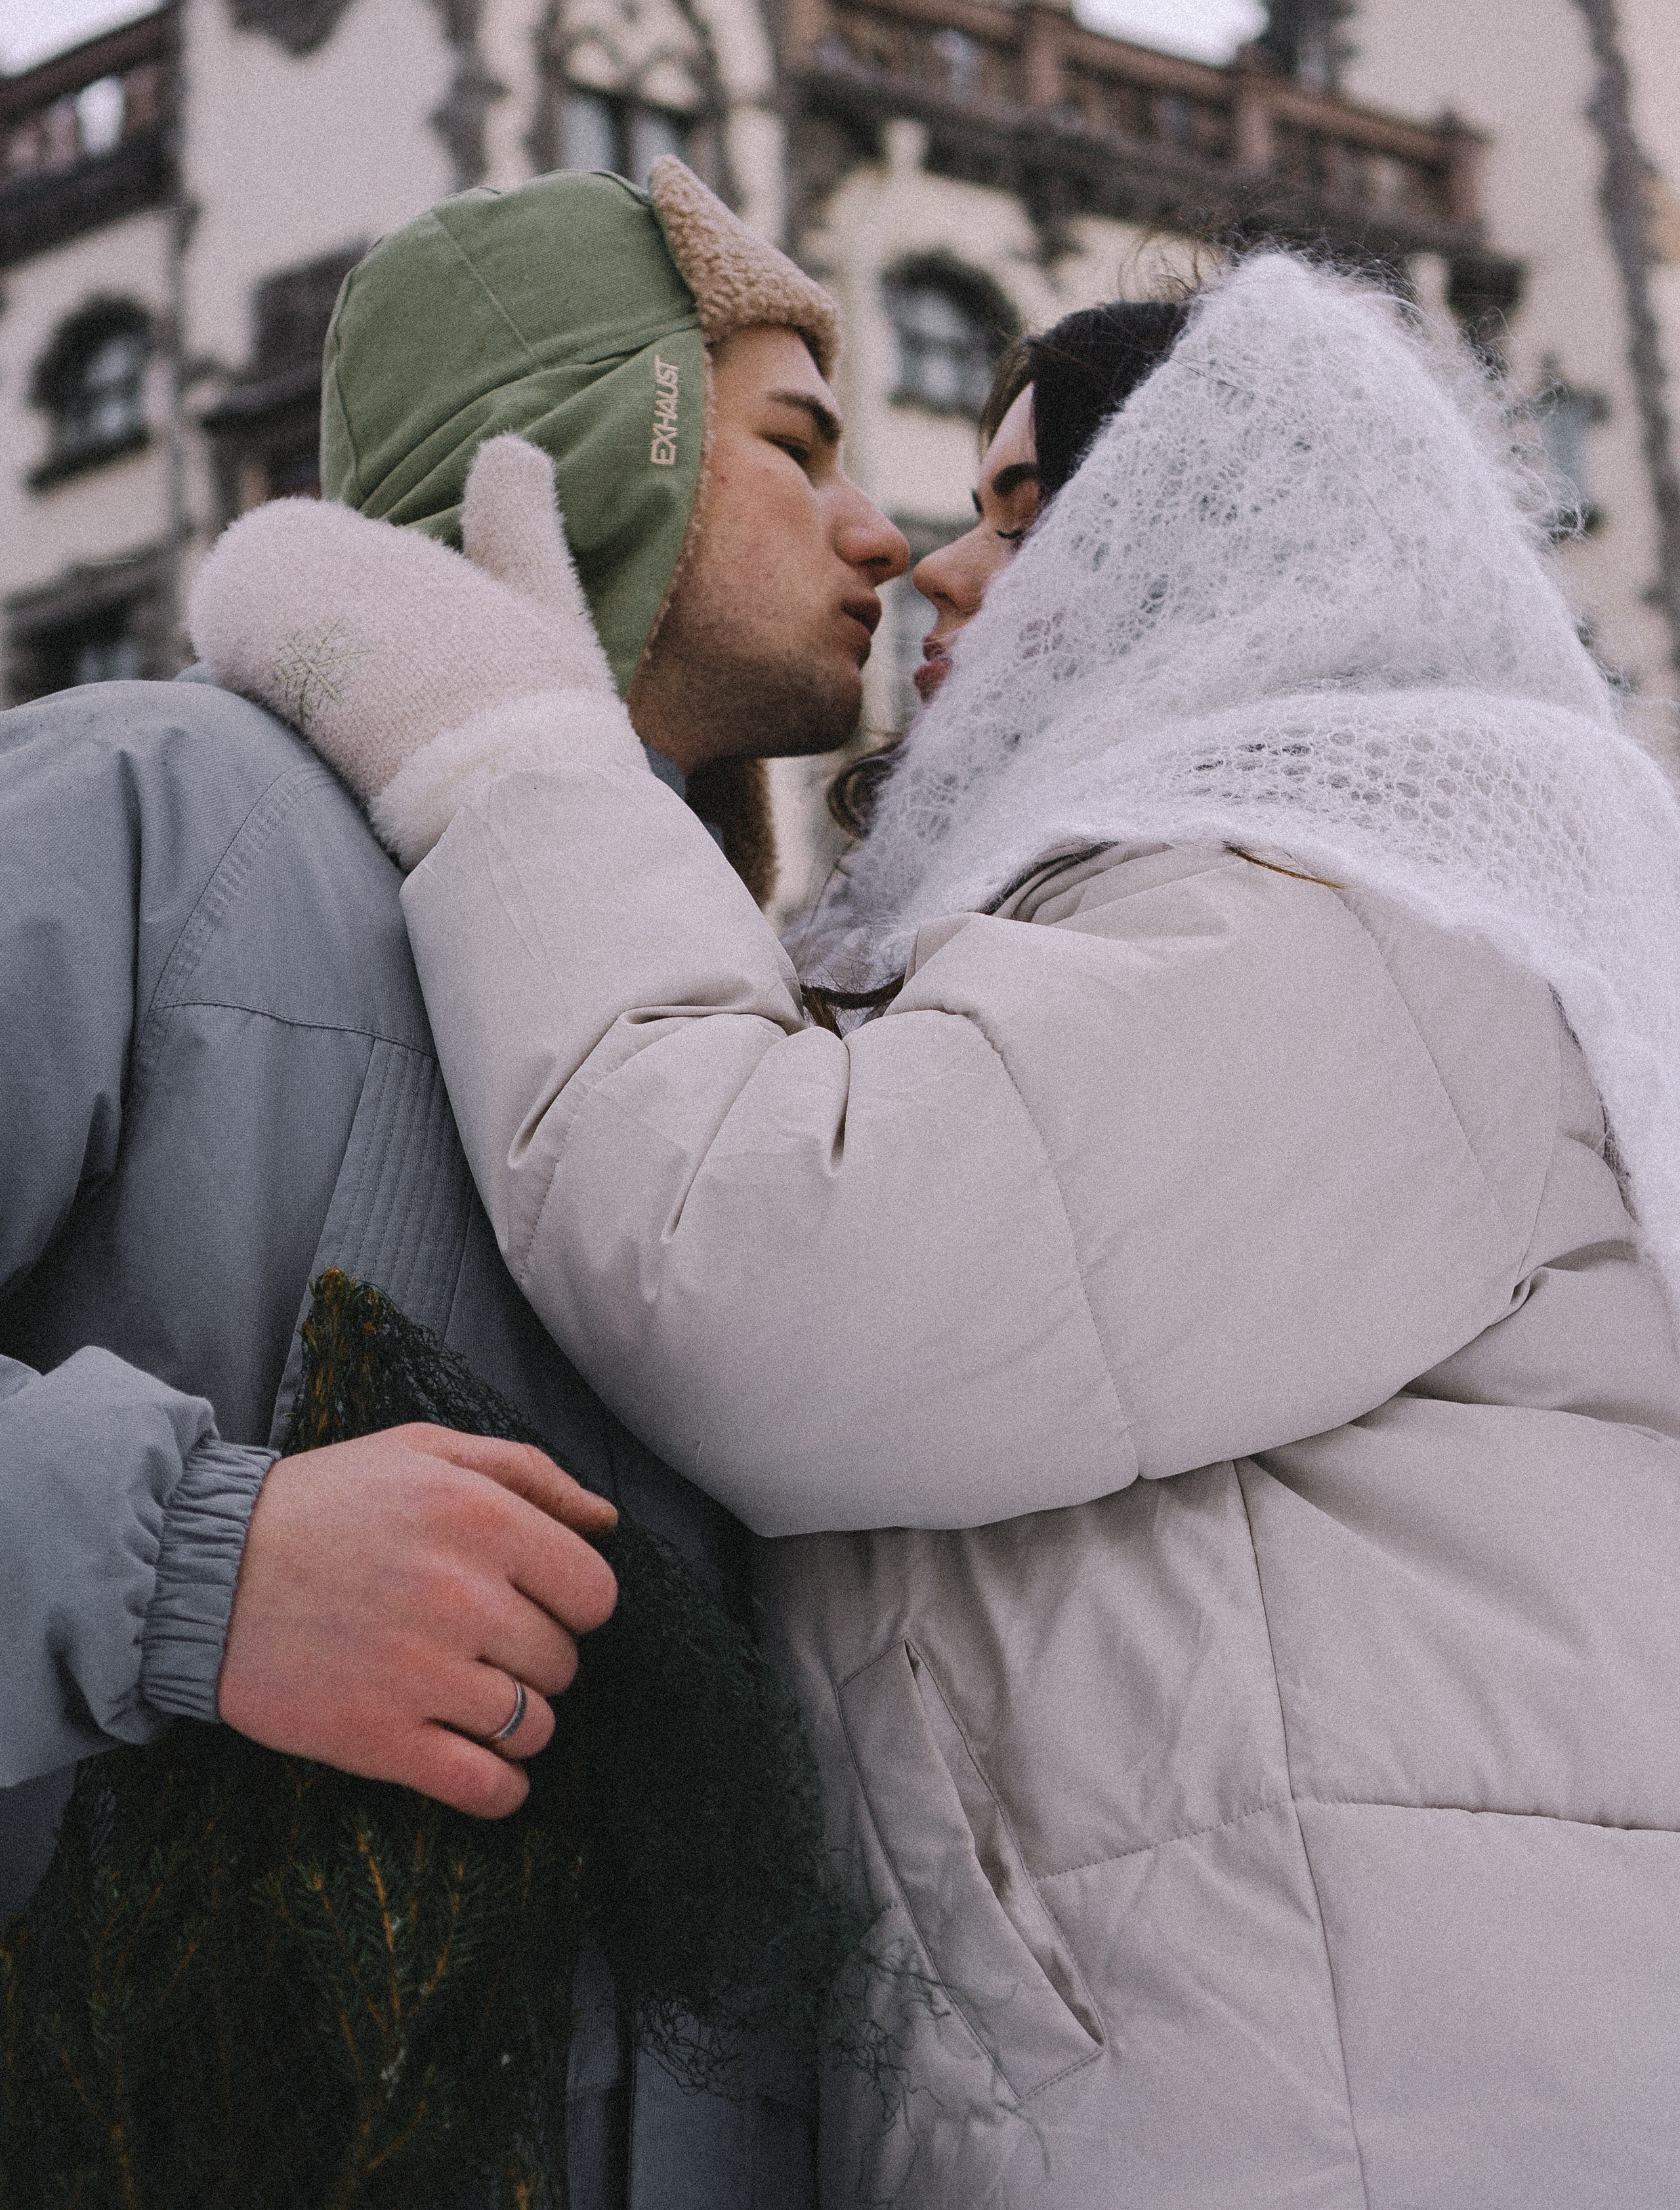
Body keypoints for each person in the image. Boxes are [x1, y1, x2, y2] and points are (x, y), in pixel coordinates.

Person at [194, 248, 1680, 2209]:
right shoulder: (1201, 908)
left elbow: (780, 1268)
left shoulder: (1372, 897)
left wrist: (506, 749)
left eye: (1036, 515)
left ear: (1233, 543)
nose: (930, 573)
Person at [0, 155, 906, 2203]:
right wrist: (192, 1574)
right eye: (793, 443)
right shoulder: (156, 810)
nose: (886, 532)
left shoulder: (743, 1032)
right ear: (601, 454)